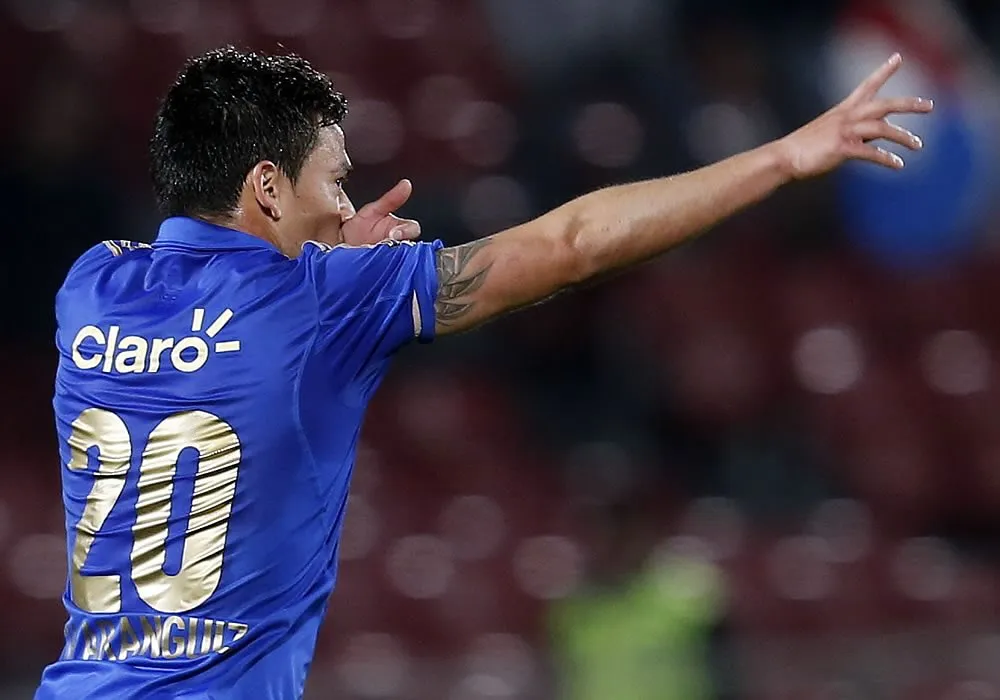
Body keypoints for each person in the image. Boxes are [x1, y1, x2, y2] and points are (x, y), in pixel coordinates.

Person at [35, 47, 930, 700]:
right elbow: (570, 246)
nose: (350, 204)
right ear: (268, 188)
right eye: (336, 181)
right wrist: (781, 157)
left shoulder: (92, 285)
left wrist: (313, 257)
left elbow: (215, 325)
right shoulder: (326, 303)